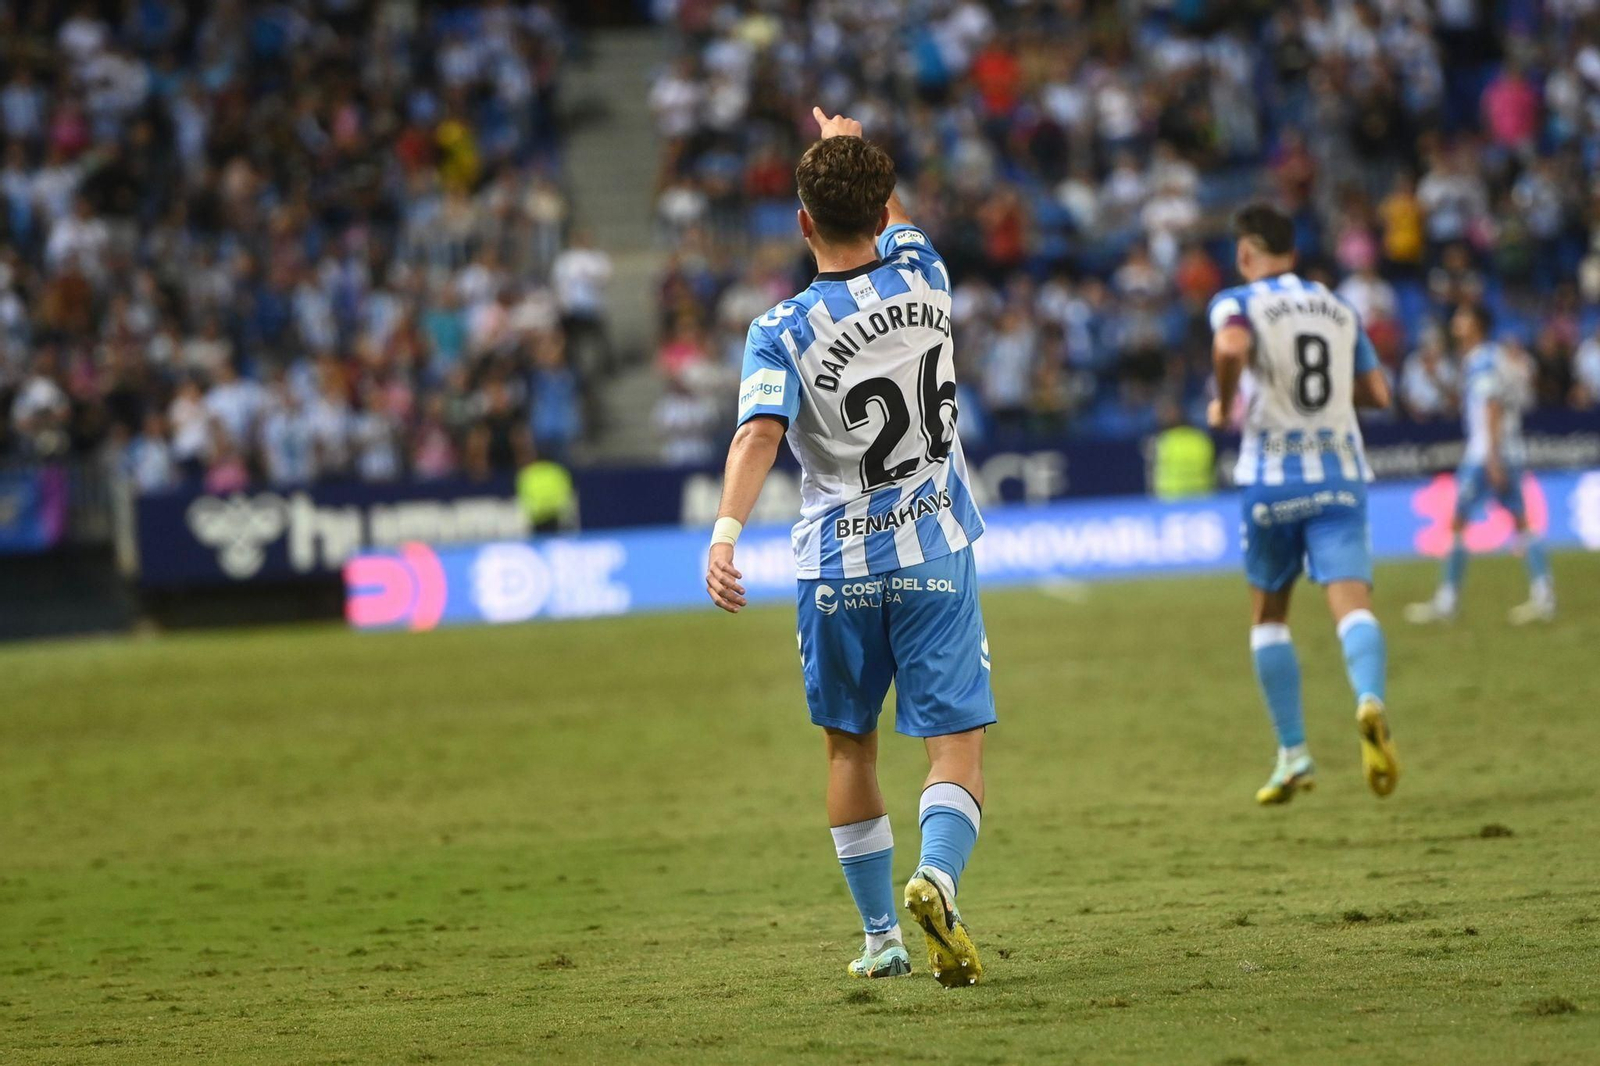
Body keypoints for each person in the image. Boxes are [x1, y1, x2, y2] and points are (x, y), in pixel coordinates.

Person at [704, 109, 992, 987]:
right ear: (882, 211)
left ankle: (880, 939)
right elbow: (891, 218)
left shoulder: (779, 329)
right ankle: (936, 879)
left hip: (836, 566)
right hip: (935, 551)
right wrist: (852, 148)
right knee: (956, 746)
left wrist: (724, 534)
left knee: (847, 749)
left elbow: (758, 436)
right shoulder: (926, 270)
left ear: (801, 223)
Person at [1206, 203, 1400, 807]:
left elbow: (1232, 348)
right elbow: (1377, 392)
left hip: (1271, 478)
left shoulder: (1237, 300)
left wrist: (1224, 401)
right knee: (1352, 608)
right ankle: (1368, 697)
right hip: (1340, 474)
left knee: (1269, 617)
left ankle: (1293, 752)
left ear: (1245, 253)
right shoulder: (1338, 307)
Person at [1405, 305, 1556, 625]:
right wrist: (1435, 381)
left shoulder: (1483, 360)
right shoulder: (1484, 358)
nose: (1456, 323)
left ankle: (1449, 600)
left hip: (1488, 452)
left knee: (1464, 521)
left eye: (1463, 318)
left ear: (1477, 325)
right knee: (1518, 522)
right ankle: (1543, 594)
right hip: (1500, 450)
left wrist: (1491, 458)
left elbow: (1492, 405)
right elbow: (1468, 402)